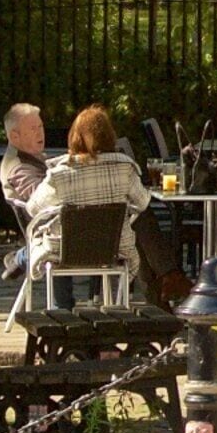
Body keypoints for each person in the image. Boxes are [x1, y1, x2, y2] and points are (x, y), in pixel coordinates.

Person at [24, 105, 151, 308]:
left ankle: (60, 308)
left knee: (49, 237)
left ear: (74, 137)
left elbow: (33, 208)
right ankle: (115, 310)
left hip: (66, 250)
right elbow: (143, 202)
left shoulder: (61, 173)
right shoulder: (125, 168)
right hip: (113, 248)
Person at [0, 103, 51, 279]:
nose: (39, 132)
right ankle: (22, 257)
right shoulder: (18, 167)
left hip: (54, 227)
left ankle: (21, 257)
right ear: (14, 136)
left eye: (41, 126)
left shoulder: (31, 155)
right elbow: (42, 198)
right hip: (46, 232)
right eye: (32, 129)